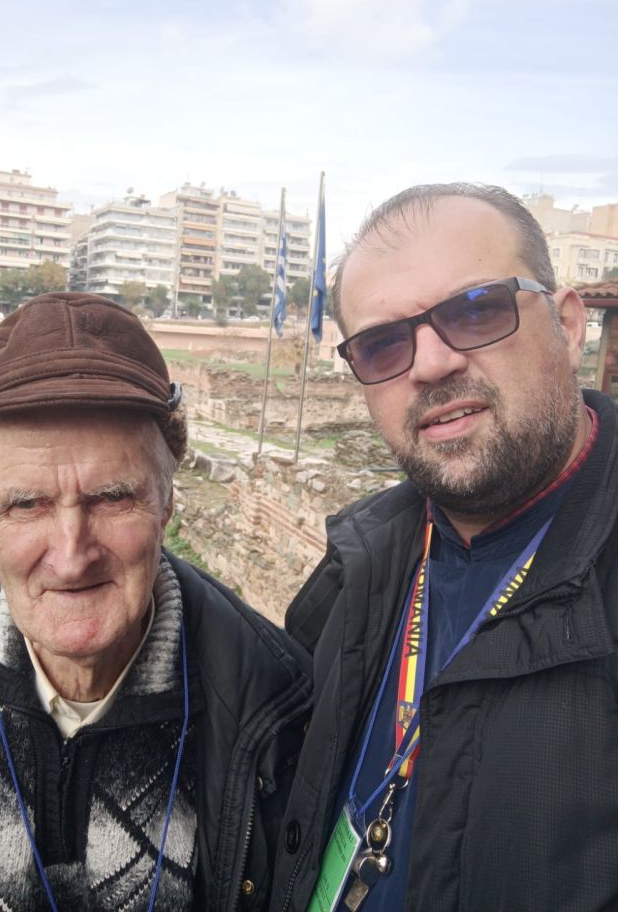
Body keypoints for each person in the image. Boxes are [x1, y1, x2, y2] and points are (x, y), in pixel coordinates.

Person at [0, 292, 312, 912]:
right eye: (27, 504)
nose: (72, 555)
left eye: (112, 497)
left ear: (166, 501)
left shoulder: (288, 719)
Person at [269, 184, 618, 912]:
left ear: (567, 325)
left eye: (476, 311)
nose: (429, 364)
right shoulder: (356, 562)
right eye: (382, 344)